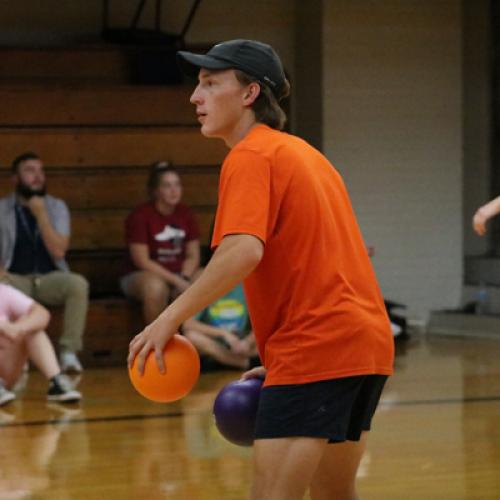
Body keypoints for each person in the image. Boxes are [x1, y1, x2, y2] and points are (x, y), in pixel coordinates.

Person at [128, 39, 394, 499]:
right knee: (335, 495)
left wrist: (168, 318)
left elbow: (242, 251)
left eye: (210, 84)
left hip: (317, 346)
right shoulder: (306, 155)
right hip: (363, 343)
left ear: (250, 94)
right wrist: (278, 362)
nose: (195, 96)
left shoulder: (250, 155)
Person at [0, 152, 88, 373]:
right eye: (30, 171)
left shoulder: (56, 207)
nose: (38, 177)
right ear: (15, 178)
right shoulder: (2, 209)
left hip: (50, 277)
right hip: (15, 277)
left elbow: (59, 250)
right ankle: (17, 356)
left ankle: (68, 352)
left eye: (41, 171)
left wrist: (41, 215)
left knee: (78, 284)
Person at [121, 161, 201, 324]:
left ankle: (196, 333)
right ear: (156, 191)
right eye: (167, 186)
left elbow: (193, 254)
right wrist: (176, 281)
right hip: (144, 274)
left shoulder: (186, 213)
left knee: (205, 277)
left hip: (180, 273)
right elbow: (142, 261)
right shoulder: (141, 216)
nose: (174, 190)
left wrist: (184, 276)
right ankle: (158, 337)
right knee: (156, 287)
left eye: (177, 185)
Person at [0, 281, 82, 406]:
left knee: (32, 327)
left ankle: (56, 381)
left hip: (5, 368)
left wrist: (19, 328)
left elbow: (41, 313)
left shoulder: (3, 292)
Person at [183, 283, 258, 370]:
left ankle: (226, 361)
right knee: (192, 336)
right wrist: (223, 334)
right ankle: (242, 363)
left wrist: (248, 342)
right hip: (214, 341)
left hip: (241, 340)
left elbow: (262, 321)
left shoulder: (247, 287)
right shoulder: (204, 289)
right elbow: (188, 324)